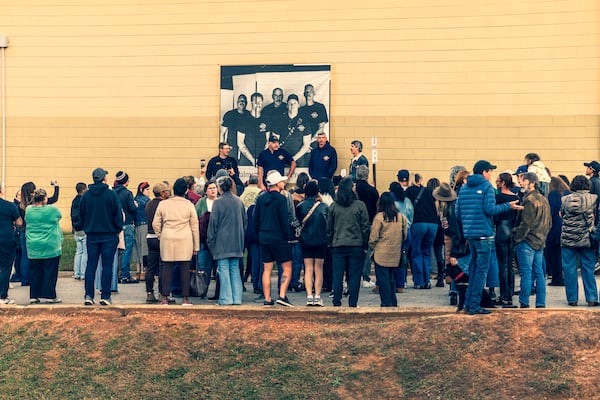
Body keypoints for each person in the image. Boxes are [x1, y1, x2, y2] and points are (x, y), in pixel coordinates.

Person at [455, 160, 521, 315]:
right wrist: (508, 206)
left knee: (473, 268)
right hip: (484, 234)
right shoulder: (486, 188)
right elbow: (490, 209)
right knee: (481, 271)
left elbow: (457, 213)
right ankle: (474, 305)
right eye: (490, 171)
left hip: (469, 234)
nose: (492, 174)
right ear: (484, 172)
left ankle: (467, 304)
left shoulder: (464, 188)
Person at [80, 168, 124, 306]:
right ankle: (105, 295)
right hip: (109, 235)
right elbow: (117, 214)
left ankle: (88, 295)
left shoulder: (86, 196)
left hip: (92, 235)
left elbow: (81, 215)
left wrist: (86, 227)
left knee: (91, 265)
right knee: (107, 266)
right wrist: (117, 229)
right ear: (104, 178)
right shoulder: (111, 195)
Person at [153, 178, 200, 306]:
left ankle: (165, 297)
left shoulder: (164, 204)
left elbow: (155, 224)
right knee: (185, 268)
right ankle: (185, 298)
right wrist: (196, 245)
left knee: (166, 267)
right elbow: (194, 226)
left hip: (167, 236)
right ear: (186, 190)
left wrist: (160, 235)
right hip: (185, 237)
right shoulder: (189, 205)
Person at [327, 177, 370, 307]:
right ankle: (353, 302)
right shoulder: (360, 205)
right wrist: (365, 244)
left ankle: (337, 301)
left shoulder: (334, 206)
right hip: (356, 245)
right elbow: (365, 227)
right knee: (354, 277)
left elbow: (329, 228)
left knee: (337, 275)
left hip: (338, 245)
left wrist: (331, 243)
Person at [254, 170, 295, 306]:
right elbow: (284, 220)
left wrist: (259, 233)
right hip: (279, 237)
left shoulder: (261, 199)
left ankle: (267, 298)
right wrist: (288, 236)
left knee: (267, 269)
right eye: (282, 181)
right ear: (277, 184)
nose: (283, 183)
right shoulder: (281, 199)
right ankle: (282, 295)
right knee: (287, 267)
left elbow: (256, 219)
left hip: (264, 237)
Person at [513, 172, 551, 308]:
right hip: (540, 240)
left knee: (526, 273)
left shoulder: (529, 200)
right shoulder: (543, 199)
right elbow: (549, 222)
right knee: (539, 272)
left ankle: (524, 302)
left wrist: (517, 238)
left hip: (527, 241)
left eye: (523, 181)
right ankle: (540, 303)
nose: (520, 183)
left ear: (532, 182)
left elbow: (526, 224)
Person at [207, 176, 247, 305]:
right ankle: (236, 298)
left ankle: (226, 298)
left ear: (220, 188)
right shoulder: (239, 201)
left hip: (222, 242)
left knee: (223, 269)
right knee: (235, 269)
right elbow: (245, 222)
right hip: (237, 241)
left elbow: (213, 224)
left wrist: (210, 241)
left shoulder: (218, 203)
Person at [560, 175, 599, 307]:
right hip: (587, 239)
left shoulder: (565, 200)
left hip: (568, 239)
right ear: (587, 185)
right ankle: (592, 298)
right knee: (588, 269)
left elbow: (562, 215)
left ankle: (572, 299)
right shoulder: (593, 199)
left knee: (569, 269)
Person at [369, 192, 408, 307]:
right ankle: (393, 302)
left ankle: (386, 303)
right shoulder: (400, 217)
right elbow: (405, 234)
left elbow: (373, 237)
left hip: (381, 253)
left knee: (383, 280)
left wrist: (373, 247)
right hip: (395, 253)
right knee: (391, 280)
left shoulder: (379, 217)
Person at [16, 181, 59, 286]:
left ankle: (24, 279)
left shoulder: (21, 204)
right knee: (35, 257)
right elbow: (54, 199)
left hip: (23, 231)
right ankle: (36, 278)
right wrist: (56, 187)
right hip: (35, 231)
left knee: (25, 256)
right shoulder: (35, 202)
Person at [25, 188, 63, 304]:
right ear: (45, 198)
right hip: (50, 244)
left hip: (33, 245)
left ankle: (34, 295)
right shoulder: (51, 209)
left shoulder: (29, 210)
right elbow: (59, 216)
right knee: (50, 271)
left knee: (35, 271)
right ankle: (50, 295)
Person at [296, 180, 328, 306]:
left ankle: (309, 295)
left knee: (308, 269)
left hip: (306, 240)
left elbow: (297, 223)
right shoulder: (324, 207)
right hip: (320, 240)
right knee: (319, 269)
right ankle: (318, 296)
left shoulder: (300, 206)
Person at [405, 172, 439, 289]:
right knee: (427, 252)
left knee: (417, 252)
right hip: (433, 224)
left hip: (418, 223)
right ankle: (427, 280)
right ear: (420, 180)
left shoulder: (409, 191)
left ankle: (419, 281)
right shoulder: (429, 191)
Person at [493, 172, 520, 306]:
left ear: (503, 183)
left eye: (498, 181)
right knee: (510, 265)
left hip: (501, 230)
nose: (496, 183)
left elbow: (495, 216)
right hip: (512, 230)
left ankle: (504, 295)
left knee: (502, 264)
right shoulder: (516, 197)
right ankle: (509, 295)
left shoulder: (498, 197)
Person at [145, 182, 171, 304]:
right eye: (167, 191)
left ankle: (149, 292)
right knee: (163, 266)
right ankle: (162, 293)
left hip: (150, 237)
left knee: (151, 267)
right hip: (161, 236)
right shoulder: (164, 204)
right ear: (162, 193)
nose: (169, 193)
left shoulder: (149, 204)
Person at [354, 164, 379, 287]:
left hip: (354, 222)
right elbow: (377, 207)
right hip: (369, 221)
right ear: (367, 175)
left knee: (354, 249)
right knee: (368, 250)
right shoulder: (372, 190)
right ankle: (366, 277)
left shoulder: (352, 189)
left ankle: (353, 276)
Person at [113, 171, 139, 284]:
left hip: (115, 224)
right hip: (127, 223)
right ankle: (125, 275)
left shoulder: (112, 193)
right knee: (126, 249)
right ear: (126, 182)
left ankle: (116, 274)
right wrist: (135, 205)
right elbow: (132, 208)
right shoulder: (127, 193)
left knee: (116, 251)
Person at [389, 181, 414, 293]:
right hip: (407, 229)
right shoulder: (407, 200)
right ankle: (401, 283)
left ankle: (392, 281)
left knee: (393, 256)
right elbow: (411, 215)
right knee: (403, 257)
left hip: (394, 230)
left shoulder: (391, 200)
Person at [546, 177, 570, 286]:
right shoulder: (567, 193)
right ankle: (563, 277)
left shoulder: (553, 194)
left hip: (554, 227)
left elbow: (550, 211)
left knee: (554, 254)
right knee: (563, 254)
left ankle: (557, 278)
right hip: (566, 226)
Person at [0, 185, 22, 304]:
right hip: (6, 239)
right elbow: (19, 222)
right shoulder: (9, 205)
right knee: (5, 267)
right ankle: (2, 296)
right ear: (1, 191)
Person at [280, 94, 312, 167]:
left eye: (294, 103)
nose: (292, 106)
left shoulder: (305, 122)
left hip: (298, 159)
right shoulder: (280, 120)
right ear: (287, 105)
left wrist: (294, 158)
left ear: (298, 105)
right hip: (282, 158)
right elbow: (275, 141)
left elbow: (306, 145)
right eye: (290, 104)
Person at [220, 93, 252, 161]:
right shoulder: (230, 114)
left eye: (243, 101)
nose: (242, 102)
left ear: (246, 103)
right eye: (240, 100)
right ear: (237, 102)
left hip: (245, 147)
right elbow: (222, 133)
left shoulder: (249, 115)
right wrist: (222, 149)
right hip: (232, 147)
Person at [133, 181, 151, 281]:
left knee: (137, 248)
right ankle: (144, 271)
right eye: (147, 189)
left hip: (136, 225)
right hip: (145, 225)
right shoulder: (147, 201)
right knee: (144, 248)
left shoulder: (135, 200)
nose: (149, 191)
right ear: (142, 190)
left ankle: (138, 270)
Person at [70, 182, 88, 280]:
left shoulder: (74, 201)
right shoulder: (84, 200)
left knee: (78, 251)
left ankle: (77, 273)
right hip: (84, 228)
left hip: (76, 229)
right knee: (85, 252)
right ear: (84, 190)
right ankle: (83, 273)